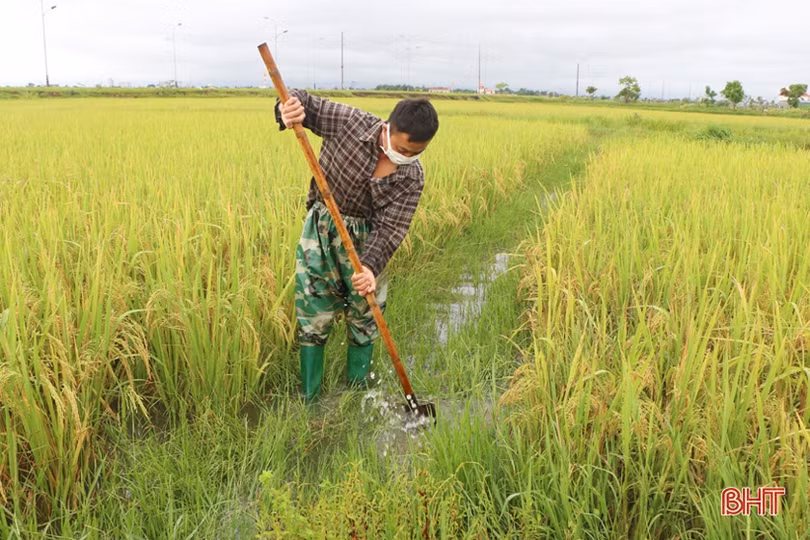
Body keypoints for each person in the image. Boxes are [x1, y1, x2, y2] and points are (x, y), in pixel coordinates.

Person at [275, 89, 439, 403]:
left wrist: (369, 267)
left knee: (366, 311)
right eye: (403, 148)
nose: (407, 156)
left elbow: (391, 228)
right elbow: (305, 102)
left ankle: (357, 393)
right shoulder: (350, 122)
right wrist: (287, 109)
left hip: (370, 240)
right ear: (388, 128)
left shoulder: (413, 177)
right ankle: (310, 398)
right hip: (323, 231)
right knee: (313, 305)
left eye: (417, 152)